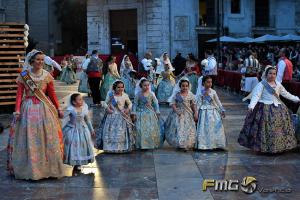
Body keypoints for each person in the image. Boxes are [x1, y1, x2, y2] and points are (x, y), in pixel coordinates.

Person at [8, 50, 65, 180]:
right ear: (32, 61)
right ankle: (31, 169)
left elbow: (52, 94)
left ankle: (47, 168)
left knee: (47, 136)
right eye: (37, 59)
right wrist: (17, 110)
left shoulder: (47, 75)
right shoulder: (24, 75)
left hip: (44, 108)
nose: (40, 62)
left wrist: (59, 108)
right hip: (28, 109)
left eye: (41, 60)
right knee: (30, 137)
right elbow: (19, 95)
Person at [238, 66, 299, 153]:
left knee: (279, 129)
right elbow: (256, 96)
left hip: (279, 108)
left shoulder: (278, 84)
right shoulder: (262, 84)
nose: (272, 75)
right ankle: (265, 147)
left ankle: (278, 146)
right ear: (266, 74)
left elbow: (286, 94)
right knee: (265, 129)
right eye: (270, 73)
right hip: (265, 109)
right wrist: (251, 106)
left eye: (274, 74)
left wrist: (296, 99)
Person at [96, 80, 135, 153]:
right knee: (110, 131)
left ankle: (121, 147)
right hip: (112, 115)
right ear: (114, 88)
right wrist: (107, 108)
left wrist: (128, 109)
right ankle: (110, 147)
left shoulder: (125, 95)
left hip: (122, 115)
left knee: (121, 132)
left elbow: (130, 103)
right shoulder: (110, 94)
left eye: (122, 87)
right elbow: (105, 102)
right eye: (118, 87)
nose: (120, 89)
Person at [62, 93, 95, 175]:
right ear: (74, 102)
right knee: (74, 146)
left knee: (82, 146)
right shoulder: (71, 109)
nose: (82, 101)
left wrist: (91, 130)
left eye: (82, 99)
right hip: (72, 130)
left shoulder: (84, 108)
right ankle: (75, 162)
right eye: (79, 99)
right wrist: (60, 111)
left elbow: (87, 120)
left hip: (83, 130)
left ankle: (79, 163)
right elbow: (62, 116)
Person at [164, 77, 198, 150]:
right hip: (179, 113)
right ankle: (180, 143)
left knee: (188, 129)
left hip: (188, 113)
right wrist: (176, 110)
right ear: (180, 86)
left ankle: (188, 143)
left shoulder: (191, 94)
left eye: (186, 86)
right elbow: (173, 103)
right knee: (179, 128)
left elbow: (193, 104)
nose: (185, 87)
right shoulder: (177, 94)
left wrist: (195, 113)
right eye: (183, 86)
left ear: (188, 86)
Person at [195, 76, 226, 150]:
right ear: (203, 83)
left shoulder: (213, 92)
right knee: (205, 128)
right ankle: (205, 144)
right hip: (204, 112)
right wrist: (196, 112)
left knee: (215, 128)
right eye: (208, 82)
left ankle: (216, 144)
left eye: (211, 82)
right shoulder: (201, 92)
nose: (209, 84)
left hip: (213, 112)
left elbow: (217, 101)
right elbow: (198, 103)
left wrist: (222, 109)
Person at [131, 78, 162, 149]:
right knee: (139, 129)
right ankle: (141, 144)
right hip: (140, 113)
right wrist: (134, 112)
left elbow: (156, 103)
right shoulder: (138, 95)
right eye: (145, 85)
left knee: (150, 129)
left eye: (148, 85)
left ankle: (149, 144)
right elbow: (135, 104)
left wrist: (157, 111)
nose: (147, 87)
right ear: (141, 86)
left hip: (149, 113)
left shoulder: (151, 94)